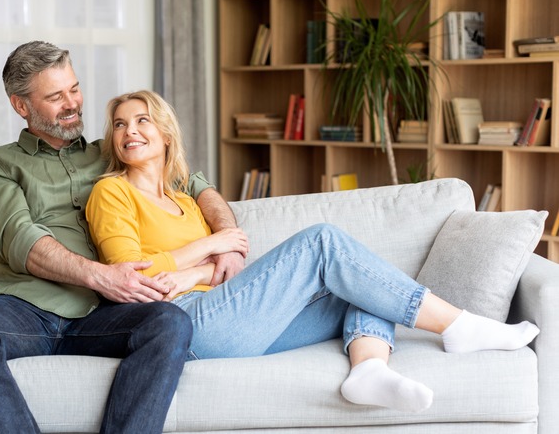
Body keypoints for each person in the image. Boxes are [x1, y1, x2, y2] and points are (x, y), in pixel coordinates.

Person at [85, 90, 541, 413]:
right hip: (182, 326)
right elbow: (130, 273)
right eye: (121, 124)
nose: (130, 131)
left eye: (142, 120)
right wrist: (210, 246)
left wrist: (197, 265)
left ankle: (367, 371)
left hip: (227, 316)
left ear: (166, 133)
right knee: (322, 241)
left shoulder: (185, 200)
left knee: (364, 284)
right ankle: (458, 324)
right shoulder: (112, 193)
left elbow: (221, 270)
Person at [0, 42, 244, 434]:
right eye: (55, 96)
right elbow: (22, 240)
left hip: (103, 315)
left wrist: (228, 241)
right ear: (21, 105)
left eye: (74, 89)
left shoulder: (110, 152)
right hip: (26, 309)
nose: (72, 103)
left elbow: (194, 183)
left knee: (168, 322)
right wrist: (101, 275)